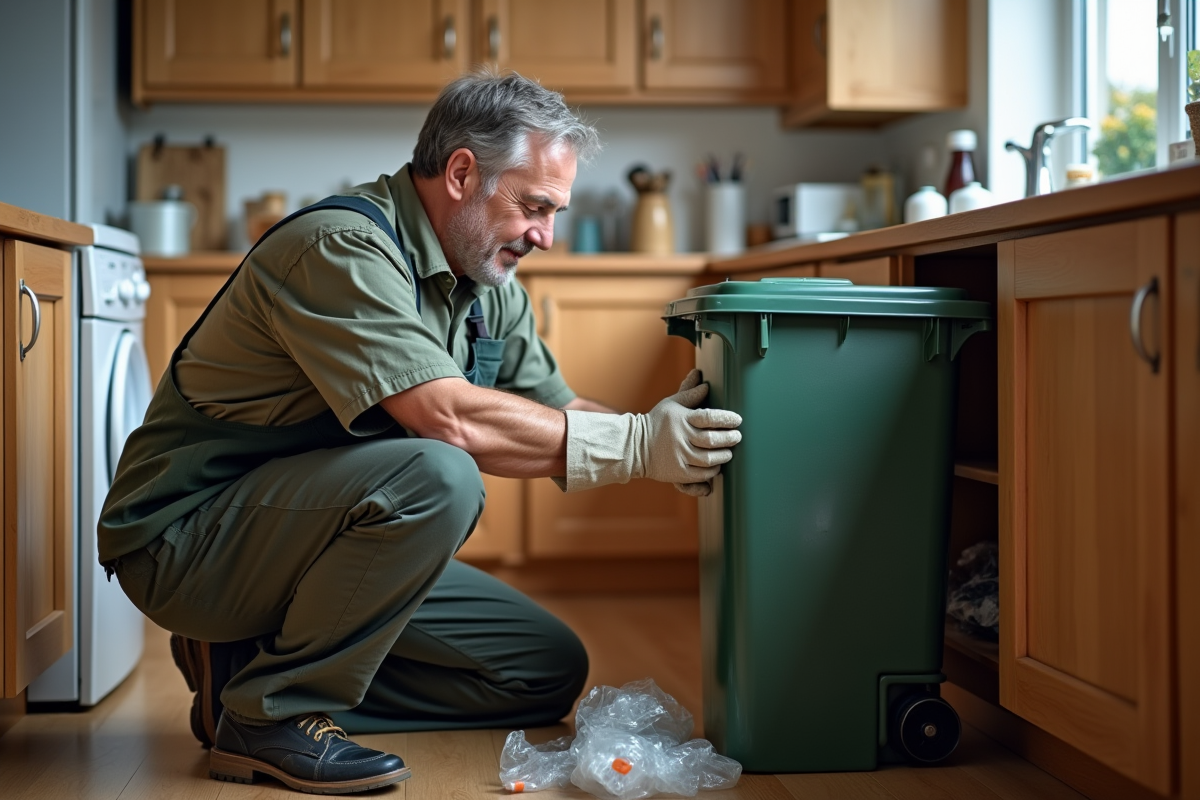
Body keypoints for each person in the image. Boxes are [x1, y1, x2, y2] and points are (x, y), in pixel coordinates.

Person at [99, 70, 742, 795]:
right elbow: (448, 417)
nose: (546, 236)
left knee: (543, 669)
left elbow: (558, 411)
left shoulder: (487, 290)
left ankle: (242, 680)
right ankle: (272, 714)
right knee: (440, 474)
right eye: (534, 207)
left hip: (307, 541)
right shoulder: (339, 250)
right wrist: (634, 444)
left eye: (554, 212)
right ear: (463, 172)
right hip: (188, 541)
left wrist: (668, 431)